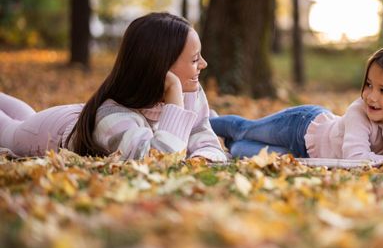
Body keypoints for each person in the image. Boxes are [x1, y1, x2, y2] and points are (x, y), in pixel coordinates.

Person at [0, 12, 227, 162]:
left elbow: (205, 139)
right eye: (195, 59)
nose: (204, 65)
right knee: (9, 129)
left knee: (24, 115)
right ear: (162, 68)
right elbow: (160, 160)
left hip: (73, 116)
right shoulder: (112, 117)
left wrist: (202, 158)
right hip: (46, 133)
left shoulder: (190, 93)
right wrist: (174, 92)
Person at [211, 43, 383, 164]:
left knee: (241, 150)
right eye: (369, 85)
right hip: (301, 125)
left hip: (303, 155)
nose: (371, 96)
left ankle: (231, 144)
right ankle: (203, 121)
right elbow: (357, 160)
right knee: (244, 129)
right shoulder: (358, 112)